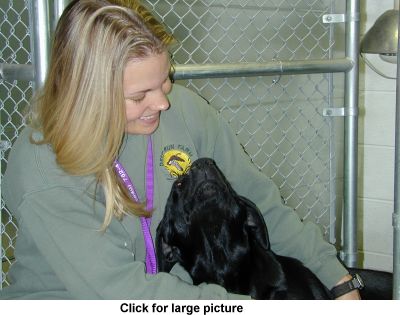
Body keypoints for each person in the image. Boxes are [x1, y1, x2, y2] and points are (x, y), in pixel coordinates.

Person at [0, 0, 360, 299]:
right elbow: (121, 292)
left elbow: (259, 202)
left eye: (165, 78)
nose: (163, 102)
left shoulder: (185, 110)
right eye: (139, 96)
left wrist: (337, 280)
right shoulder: (46, 167)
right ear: (89, 98)